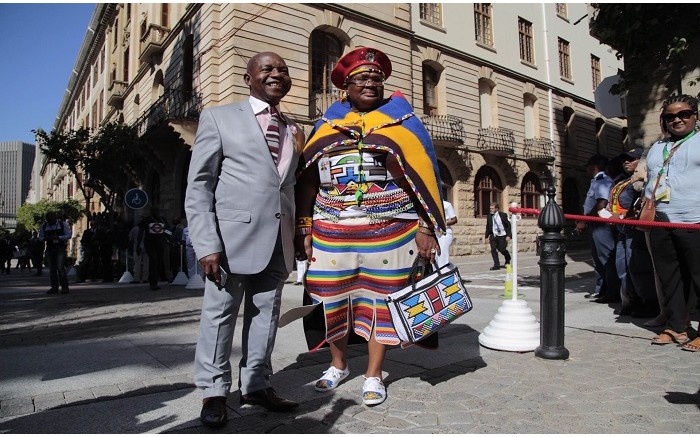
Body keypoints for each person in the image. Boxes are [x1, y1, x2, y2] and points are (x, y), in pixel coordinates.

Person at [295, 47, 445, 407]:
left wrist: (426, 226)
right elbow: (307, 180)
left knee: (382, 303)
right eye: (361, 78)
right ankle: (338, 364)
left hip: (392, 230)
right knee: (330, 300)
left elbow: (423, 176)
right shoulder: (325, 126)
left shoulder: (405, 123)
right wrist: (304, 227)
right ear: (345, 86)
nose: (370, 83)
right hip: (332, 230)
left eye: (377, 79)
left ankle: (374, 373)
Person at [185, 51, 304, 427]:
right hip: (229, 240)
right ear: (248, 77)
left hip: (277, 238)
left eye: (282, 70)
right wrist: (206, 244)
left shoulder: (293, 128)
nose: (276, 74)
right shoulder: (219, 118)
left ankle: (255, 383)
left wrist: (300, 232)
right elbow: (200, 185)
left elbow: (290, 185)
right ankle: (214, 391)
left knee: (266, 315)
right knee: (219, 316)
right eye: (267, 69)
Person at [645, 94, 700, 351]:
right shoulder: (657, 148)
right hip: (660, 221)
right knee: (669, 277)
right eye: (670, 116)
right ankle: (677, 326)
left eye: (684, 114)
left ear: (695, 116)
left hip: (695, 220)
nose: (677, 119)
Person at [607, 148, 658, 317]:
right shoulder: (622, 181)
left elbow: (643, 202)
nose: (627, 162)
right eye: (625, 160)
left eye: (632, 159)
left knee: (638, 267)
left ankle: (648, 302)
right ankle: (629, 300)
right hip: (621, 230)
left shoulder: (639, 182)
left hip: (635, 230)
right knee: (622, 267)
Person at [576, 154, 619, 303]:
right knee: (598, 259)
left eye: (588, 168)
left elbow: (601, 203)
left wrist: (585, 220)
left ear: (593, 167)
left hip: (601, 224)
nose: (586, 171)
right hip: (595, 224)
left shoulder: (602, 181)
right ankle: (601, 289)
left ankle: (612, 291)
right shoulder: (596, 181)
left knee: (606, 259)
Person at [39, 211, 72, 294]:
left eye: (50, 220)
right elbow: (40, 237)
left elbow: (69, 235)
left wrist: (58, 237)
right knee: (52, 269)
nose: (49, 222)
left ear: (55, 218)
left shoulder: (62, 224)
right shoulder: (44, 226)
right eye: (48, 220)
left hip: (60, 248)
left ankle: (65, 287)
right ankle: (54, 287)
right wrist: (46, 238)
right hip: (50, 248)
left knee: (60, 268)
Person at [139, 207, 168, 290]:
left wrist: (170, 238)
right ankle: (153, 283)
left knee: (159, 262)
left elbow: (166, 230)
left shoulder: (162, 220)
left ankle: (161, 277)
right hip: (150, 244)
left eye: (157, 210)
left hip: (160, 244)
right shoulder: (146, 220)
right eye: (154, 210)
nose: (156, 211)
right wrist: (138, 244)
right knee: (153, 261)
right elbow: (141, 232)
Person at [484, 203, 511, 270]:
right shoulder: (489, 216)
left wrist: (509, 235)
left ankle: (508, 258)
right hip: (493, 235)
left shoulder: (503, 215)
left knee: (501, 249)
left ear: (496, 209)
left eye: (492, 208)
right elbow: (488, 226)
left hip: (502, 235)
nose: (491, 210)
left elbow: (508, 225)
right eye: (490, 208)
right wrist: (486, 236)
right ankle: (496, 265)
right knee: (493, 249)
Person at [436, 200, 457, 267]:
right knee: (435, 256)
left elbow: (455, 220)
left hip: (444, 233)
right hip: (434, 233)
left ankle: (445, 272)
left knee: (442, 255)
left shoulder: (446, 204)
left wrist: (443, 223)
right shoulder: (430, 205)